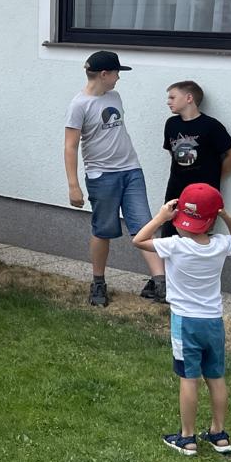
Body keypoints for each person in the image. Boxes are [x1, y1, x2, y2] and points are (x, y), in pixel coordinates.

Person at [133, 186, 231, 455]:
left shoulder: (174, 246)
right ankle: (219, 434)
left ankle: (187, 438)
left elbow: (139, 240)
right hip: (213, 323)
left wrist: (161, 217)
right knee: (215, 377)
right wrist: (223, 214)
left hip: (185, 323)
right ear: (212, 220)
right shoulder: (220, 245)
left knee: (189, 378)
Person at [64, 50, 164, 307]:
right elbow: (70, 146)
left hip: (131, 170)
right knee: (103, 230)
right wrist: (73, 185)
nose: (119, 77)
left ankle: (161, 283)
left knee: (144, 225)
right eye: (117, 73)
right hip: (102, 175)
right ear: (104, 74)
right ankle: (98, 282)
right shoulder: (79, 105)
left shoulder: (114, 97)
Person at [162, 81, 231, 232]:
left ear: (189, 98)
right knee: (169, 234)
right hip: (176, 190)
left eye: (172, 97)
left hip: (202, 194)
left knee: (198, 234)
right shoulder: (171, 124)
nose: (168, 102)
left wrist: (215, 178)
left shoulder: (211, 126)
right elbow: (172, 151)